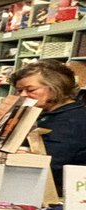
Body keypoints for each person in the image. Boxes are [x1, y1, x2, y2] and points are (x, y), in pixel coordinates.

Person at [11, 60, 86, 194]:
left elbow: (52, 164)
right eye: (19, 90)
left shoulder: (71, 121)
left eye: (30, 89)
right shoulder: (49, 115)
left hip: (62, 195)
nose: (22, 95)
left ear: (56, 87)